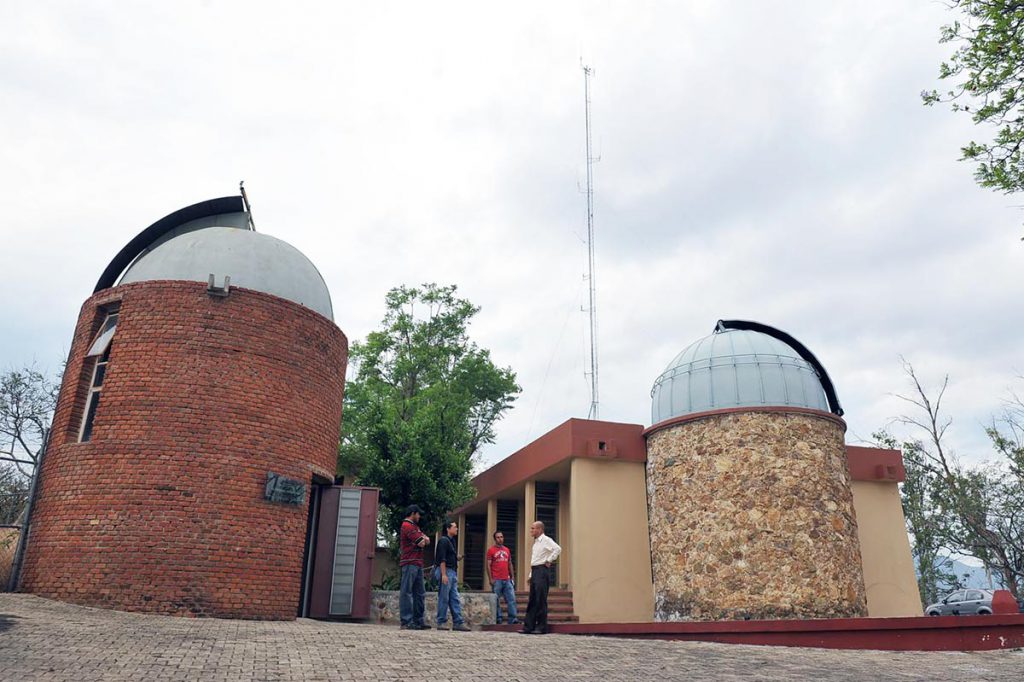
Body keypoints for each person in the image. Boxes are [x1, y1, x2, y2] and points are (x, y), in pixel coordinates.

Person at [521, 520, 561, 635]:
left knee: (541, 599)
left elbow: (557, 549)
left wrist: (549, 560)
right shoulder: (536, 543)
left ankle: (541, 627)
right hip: (535, 571)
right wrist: (530, 575)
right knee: (532, 599)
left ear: (540, 530)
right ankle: (528, 627)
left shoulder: (546, 540)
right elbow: (535, 559)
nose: (531, 530)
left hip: (542, 571)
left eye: (533, 528)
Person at [398, 504, 430, 630]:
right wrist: (423, 539)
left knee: (420, 593)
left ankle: (418, 620)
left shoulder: (415, 527)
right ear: (413, 513)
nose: (419, 516)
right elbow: (422, 543)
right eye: (418, 514)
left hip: (417, 563)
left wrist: (423, 539)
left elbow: (427, 540)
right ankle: (406, 621)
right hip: (409, 562)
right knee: (406, 592)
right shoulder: (407, 526)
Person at [434, 520, 470, 631]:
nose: (457, 529)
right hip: (446, 571)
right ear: (448, 529)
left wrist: (456, 557)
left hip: (452, 572)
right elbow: (442, 559)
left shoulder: (452, 541)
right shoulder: (444, 541)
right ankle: (441, 621)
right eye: (454, 527)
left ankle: (458, 622)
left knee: (454, 598)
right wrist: (443, 574)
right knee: (444, 597)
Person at [486, 530, 518, 625]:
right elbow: (488, 565)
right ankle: (498, 618)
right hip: (497, 579)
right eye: (498, 537)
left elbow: (510, 563)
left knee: (511, 599)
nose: (500, 539)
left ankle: (513, 619)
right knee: (496, 600)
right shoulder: (491, 550)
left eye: (501, 537)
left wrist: (512, 577)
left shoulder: (507, 550)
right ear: (495, 539)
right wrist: (490, 578)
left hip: (507, 579)